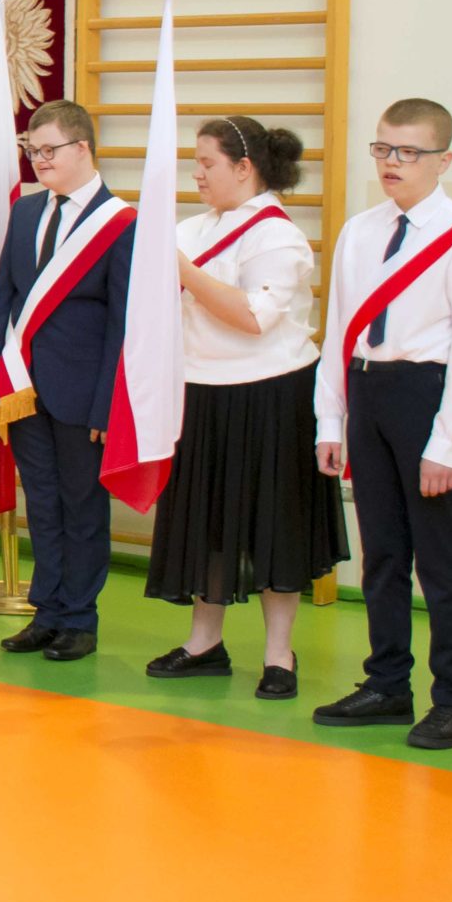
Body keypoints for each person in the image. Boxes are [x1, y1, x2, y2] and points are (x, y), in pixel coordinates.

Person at [311, 98, 452, 751]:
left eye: (409, 152)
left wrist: (449, 441)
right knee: (383, 553)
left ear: (443, 160)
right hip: (367, 389)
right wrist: (329, 420)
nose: (392, 162)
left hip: (425, 396)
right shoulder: (360, 231)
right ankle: (388, 683)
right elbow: (339, 330)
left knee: (439, 561)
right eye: (383, 148)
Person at [146, 117, 344, 698]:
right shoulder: (192, 228)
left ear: (244, 168)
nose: (197, 174)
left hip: (270, 396)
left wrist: (182, 270)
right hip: (203, 391)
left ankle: (279, 654)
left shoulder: (278, 237)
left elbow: (254, 318)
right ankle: (204, 642)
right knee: (208, 521)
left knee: (273, 525)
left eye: (207, 163)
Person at [0, 99, 135, 663]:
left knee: (82, 506)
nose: (39, 161)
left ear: (82, 148)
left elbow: (122, 324)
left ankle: (80, 619)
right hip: (23, 387)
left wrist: (108, 405)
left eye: (49, 150)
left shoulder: (119, 223)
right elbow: (4, 297)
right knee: (41, 502)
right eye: (32, 151)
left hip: (84, 392)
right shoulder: (25, 211)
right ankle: (47, 612)